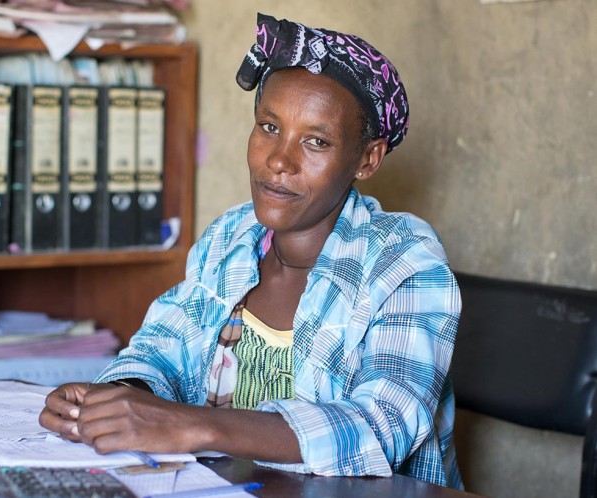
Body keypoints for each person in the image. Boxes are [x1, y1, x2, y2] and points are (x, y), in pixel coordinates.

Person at [40, 12, 462, 489]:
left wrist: (195, 426)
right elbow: (162, 348)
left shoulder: (405, 261)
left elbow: (384, 425)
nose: (279, 160)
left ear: (367, 159)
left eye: (316, 141)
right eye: (269, 127)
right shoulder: (232, 236)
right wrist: (117, 399)